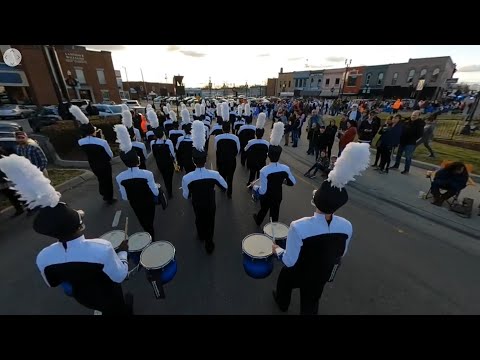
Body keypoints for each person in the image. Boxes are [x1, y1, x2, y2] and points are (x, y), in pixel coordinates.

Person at [0, 154, 132, 315]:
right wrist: (123, 253)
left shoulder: (43, 257)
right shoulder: (102, 248)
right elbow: (119, 276)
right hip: (110, 295)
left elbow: (53, 282)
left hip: (83, 298)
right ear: (80, 225)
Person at [272, 142, 370, 315]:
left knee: (284, 280)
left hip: (299, 272)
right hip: (321, 275)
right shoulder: (346, 226)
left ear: (315, 200)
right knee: (311, 303)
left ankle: (282, 303)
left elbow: (289, 261)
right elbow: (341, 253)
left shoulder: (299, 227)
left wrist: (277, 249)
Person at [182, 120, 227, 254]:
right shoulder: (214, 174)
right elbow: (224, 186)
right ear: (205, 160)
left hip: (197, 203)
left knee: (199, 219)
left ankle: (201, 235)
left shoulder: (187, 178)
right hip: (210, 203)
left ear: (193, 161)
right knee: (210, 221)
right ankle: (209, 242)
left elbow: (185, 195)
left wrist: (190, 194)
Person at [115, 125, 160, 240]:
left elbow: (125, 197)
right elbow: (155, 193)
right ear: (138, 160)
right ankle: (151, 235)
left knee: (143, 220)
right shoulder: (147, 174)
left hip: (135, 203)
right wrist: (156, 187)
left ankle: (148, 233)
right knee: (149, 220)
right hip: (148, 202)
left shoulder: (120, 177)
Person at [70, 105, 116, 204]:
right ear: (92, 131)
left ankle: (103, 193)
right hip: (104, 164)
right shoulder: (101, 142)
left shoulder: (81, 142)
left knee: (100, 178)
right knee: (107, 180)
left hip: (93, 163)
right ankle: (109, 197)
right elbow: (110, 154)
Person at [253, 122, 296, 226]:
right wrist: (284, 181)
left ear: (268, 155)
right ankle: (273, 229)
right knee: (275, 213)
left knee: (264, 209)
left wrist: (255, 188)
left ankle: (258, 221)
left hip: (267, 196)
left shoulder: (264, 170)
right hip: (278, 195)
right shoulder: (285, 168)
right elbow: (293, 182)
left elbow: (263, 191)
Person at [214, 122, 240, 199]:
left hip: (221, 161)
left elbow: (216, 149)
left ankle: (223, 188)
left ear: (222, 129)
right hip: (231, 161)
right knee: (230, 177)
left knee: (222, 176)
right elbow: (238, 150)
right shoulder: (235, 138)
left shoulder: (217, 138)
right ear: (229, 129)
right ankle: (229, 193)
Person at [245, 113, 269, 186]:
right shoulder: (267, 143)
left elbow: (245, 149)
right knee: (259, 175)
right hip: (262, 161)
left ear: (256, 133)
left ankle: (250, 184)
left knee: (252, 174)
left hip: (253, 161)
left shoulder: (251, 142)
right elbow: (268, 152)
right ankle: (258, 185)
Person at [151, 127, 175, 199]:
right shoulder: (168, 142)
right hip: (168, 163)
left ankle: (168, 189)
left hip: (160, 163)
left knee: (164, 177)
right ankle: (169, 191)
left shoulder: (153, 143)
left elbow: (154, 154)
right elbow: (172, 153)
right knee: (169, 177)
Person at [0, 146, 24, 216]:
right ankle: (19, 209)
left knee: (15, 193)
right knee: (10, 195)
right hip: (2, 180)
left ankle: (27, 206)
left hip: (7, 178)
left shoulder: (3, 156)